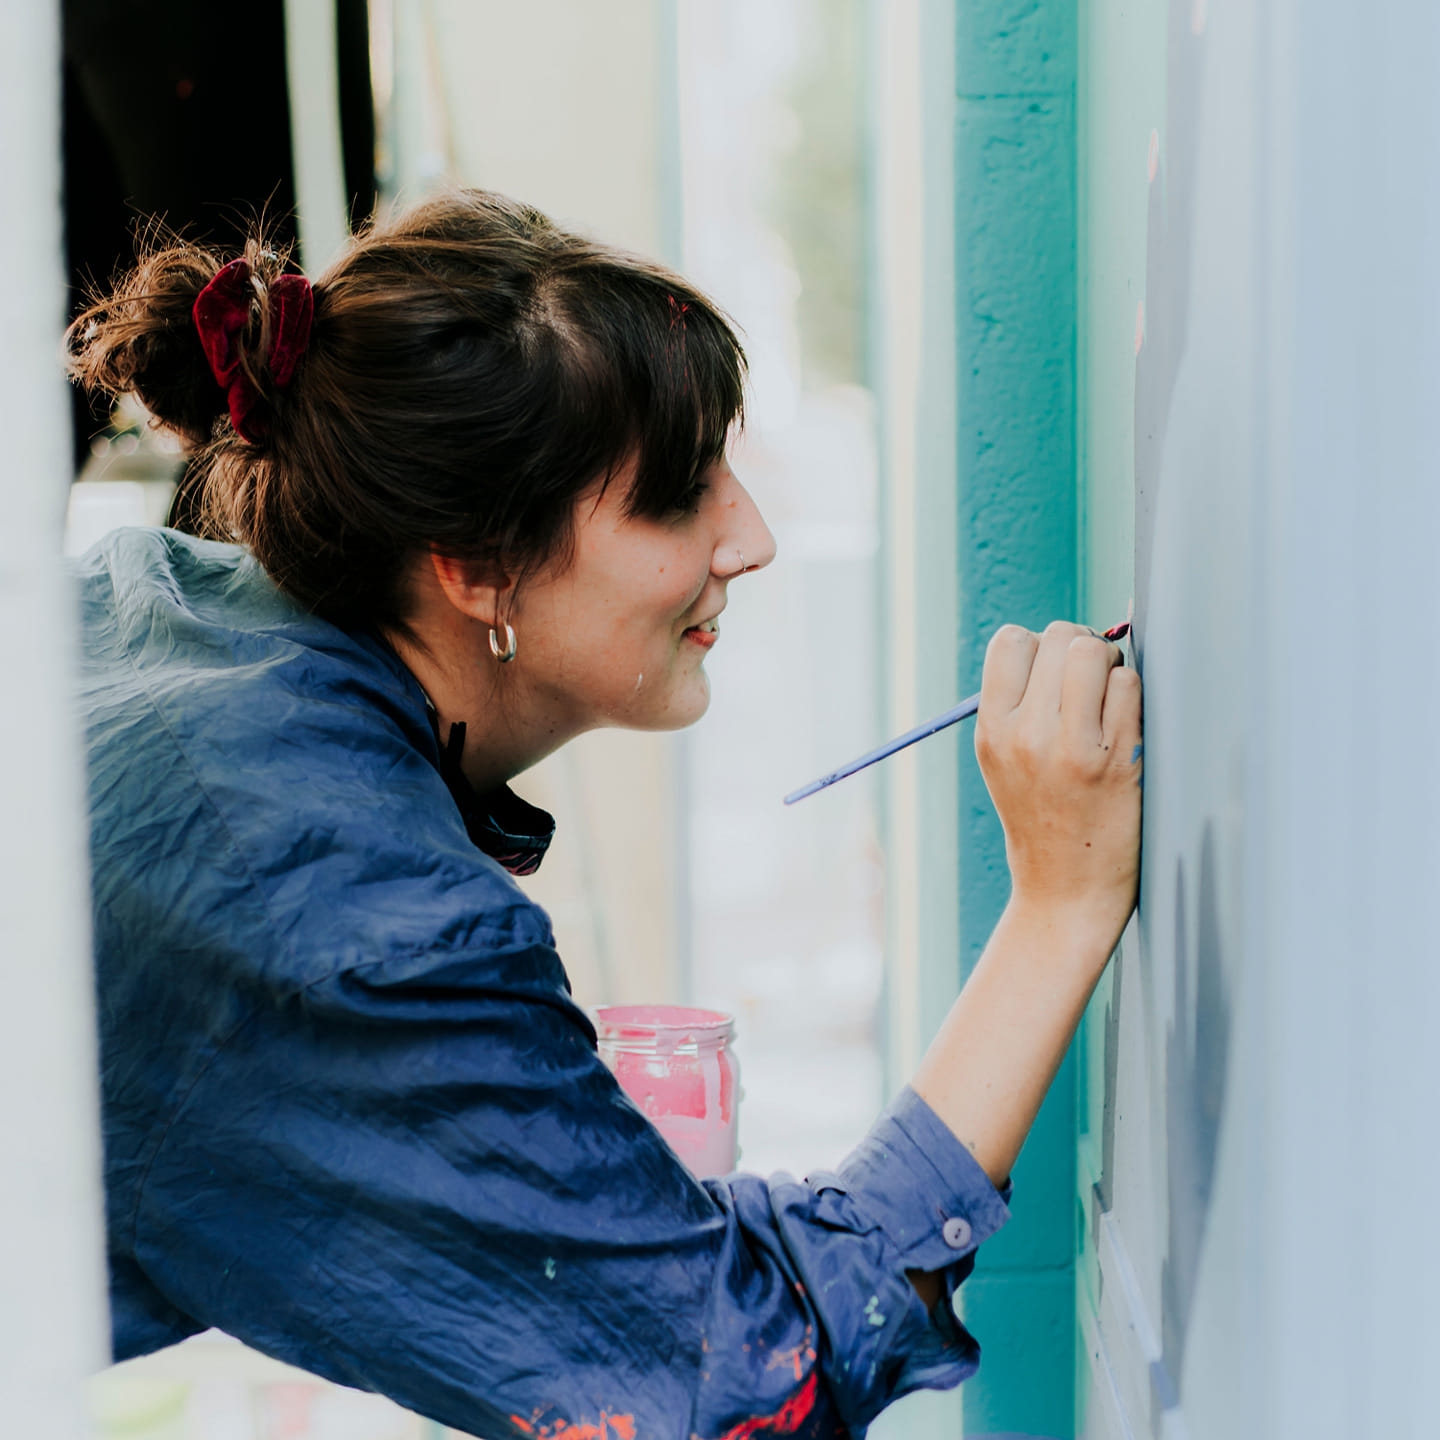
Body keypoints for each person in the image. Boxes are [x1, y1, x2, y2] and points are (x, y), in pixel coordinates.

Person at [67, 189, 1142, 1440]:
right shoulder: (334, 908)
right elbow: (740, 1380)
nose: (753, 537)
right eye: (681, 490)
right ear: (473, 563)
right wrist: (1060, 909)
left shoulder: (141, 605)